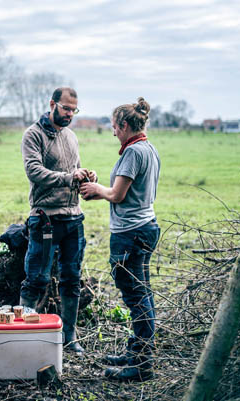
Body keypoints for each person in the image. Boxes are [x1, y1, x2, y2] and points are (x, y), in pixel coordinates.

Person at [80, 97, 161, 381]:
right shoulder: (149, 149)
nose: (113, 131)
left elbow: (117, 194)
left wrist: (96, 189)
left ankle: (141, 365)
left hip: (130, 233)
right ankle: (137, 352)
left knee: (136, 297)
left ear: (125, 125)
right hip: (146, 226)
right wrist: (99, 187)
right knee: (143, 293)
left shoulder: (132, 153)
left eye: (114, 126)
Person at [20, 87, 95, 355]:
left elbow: (74, 169)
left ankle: (69, 336)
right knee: (36, 279)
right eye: (66, 108)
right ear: (52, 104)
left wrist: (85, 176)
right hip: (45, 218)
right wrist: (68, 177)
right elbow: (34, 171)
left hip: (74, 218)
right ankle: (24, 336)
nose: (70, 114)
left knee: (72, 279)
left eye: (74, 110)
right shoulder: (33, 135)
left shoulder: (72, 136)